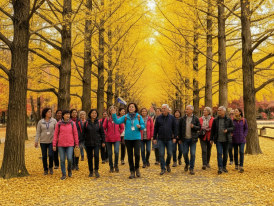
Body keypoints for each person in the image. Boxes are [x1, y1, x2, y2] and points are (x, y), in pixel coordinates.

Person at [111, 103, 145, 179]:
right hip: (128, 138)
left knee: (137, 154)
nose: (131, 108)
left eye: (132, 107)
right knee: (130, 155)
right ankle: (132, 171)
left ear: (135, 108)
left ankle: (137, 169)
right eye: (129, 107)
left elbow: (143, 125)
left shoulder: (139, 116)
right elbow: (117, 121)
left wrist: (140, 126)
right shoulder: (125, 117)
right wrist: (114, 114)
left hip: (137, 138)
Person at [53, 110, 79, 180]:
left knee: (70, 159)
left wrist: (76, 143)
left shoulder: (72, 123)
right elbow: (55, 134)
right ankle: (63, 173)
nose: (68, 115)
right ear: (63, 115)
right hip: (60, 144)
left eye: (68, 114)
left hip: (70, 144)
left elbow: (75, 134)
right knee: (62, 159)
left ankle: (69, 169)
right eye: (66, 114)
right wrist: (54, 144)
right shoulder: (59, 124)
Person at [153, 104, 177, 175]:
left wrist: (175, 137)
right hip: (161, 139)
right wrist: (154, 138)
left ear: (167, 109)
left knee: (170, 153)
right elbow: (155, 129)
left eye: (164, 108)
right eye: (162, 108)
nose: (163, 110)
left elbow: (175, 128)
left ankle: (167, 164)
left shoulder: (172, 117)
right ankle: (163, 168)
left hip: (169, 139)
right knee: (161, 154)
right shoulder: (158, 118)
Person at [210, 106, 235, 174]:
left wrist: (227, 130)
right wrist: (211, 139)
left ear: (224, 111)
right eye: (218, 110)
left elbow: (233, 127)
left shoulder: (228, 119)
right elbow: (213, 130)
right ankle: (220, 168)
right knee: (219, 153)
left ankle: (224, 167)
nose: (218, 111)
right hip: (218, 140)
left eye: (220, 110)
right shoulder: (215, 120)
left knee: (225, 154)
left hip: (226, 140)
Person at [178, 105, 201, 175]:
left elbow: (199, 127)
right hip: (185, 139)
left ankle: (191, 168)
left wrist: (194, 126)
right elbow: (179, 129)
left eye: (188, 109)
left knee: (192, 154)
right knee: (185, 153)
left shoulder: (196, 118)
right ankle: (187, 163)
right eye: (186, 109)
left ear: (191, 110)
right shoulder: (182, 119)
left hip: (192, 139)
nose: (186, 110)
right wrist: (179, 138)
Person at [83, 109, 105, 178]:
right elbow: (83, 133)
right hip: (88, 142)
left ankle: (96, 170)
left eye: (95, 113)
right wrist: (82, 142)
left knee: (96, 155)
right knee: (89, 157)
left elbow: (102, 133)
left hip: (97, 142)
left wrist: (103, 141)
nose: (94, 114)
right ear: (90, 114)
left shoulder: (99, 122)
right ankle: (91, 171)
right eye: (92, 113)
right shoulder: (86, 123)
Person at [35, 108, 57, 175]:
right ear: (45, 113)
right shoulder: (40, 122)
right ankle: (45, 169)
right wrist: (36, 141)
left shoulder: (54, 121)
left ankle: (50, 167)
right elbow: (38, 132)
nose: (50, 113)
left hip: (51, 141)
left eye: (51, 112)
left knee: (50, 155)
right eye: (49, 112)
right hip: (43, 141)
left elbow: (56, 131)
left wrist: (56, 140)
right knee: (44, 156)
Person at [103, 106, 124, 173]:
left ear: (116, 111)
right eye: (111, 110)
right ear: (109, 111)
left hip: (117, 138)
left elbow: (122, 128)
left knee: (116, 152)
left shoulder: (118, 118)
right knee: (109, 153)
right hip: (108, 139)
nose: (113, 111)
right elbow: (103, 128)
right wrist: (106, 134)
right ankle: (111, 166)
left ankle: (116, 165)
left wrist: (119, 133)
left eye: (114, 110)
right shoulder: (107, 119)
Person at [232, 108, 248, 173]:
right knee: (235, 153)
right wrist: (231, 134)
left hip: (242, 139)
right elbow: (230, 128)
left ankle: (241, 165)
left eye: (236, 111)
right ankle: (236, 165)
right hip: (234, 139)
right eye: (234, 111)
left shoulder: (244, 120)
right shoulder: (232, 120)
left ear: (240, 112)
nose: (235, 112)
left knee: (241, 152)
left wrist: (244, 135)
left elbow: (246, 128)